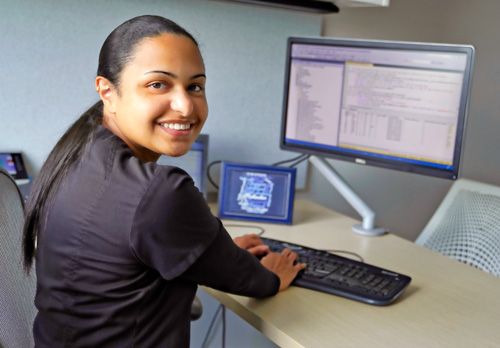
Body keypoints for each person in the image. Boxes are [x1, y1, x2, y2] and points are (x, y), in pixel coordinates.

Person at [22, 15, 305, 347]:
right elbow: (255, 281)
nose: (185, 106)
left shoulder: (72, 157)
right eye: (158, 84)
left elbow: (135, 253)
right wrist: (273, 273)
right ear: (107, 92)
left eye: (195, 86)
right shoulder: (160, 192)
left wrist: (220, 252)